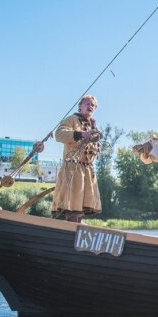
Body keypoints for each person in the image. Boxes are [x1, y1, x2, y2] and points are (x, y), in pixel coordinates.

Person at [53, 95, 103, 223]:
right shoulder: (72, 120)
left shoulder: (94, 127)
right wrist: (81, 134)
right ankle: (71, 230)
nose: (90, 107)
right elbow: (59, 134)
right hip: (73, 168)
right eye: (87, 104)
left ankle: (77, 231)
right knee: (72, 206)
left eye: (93, 105)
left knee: (82, 208)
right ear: (80, 106)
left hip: (87, 170)